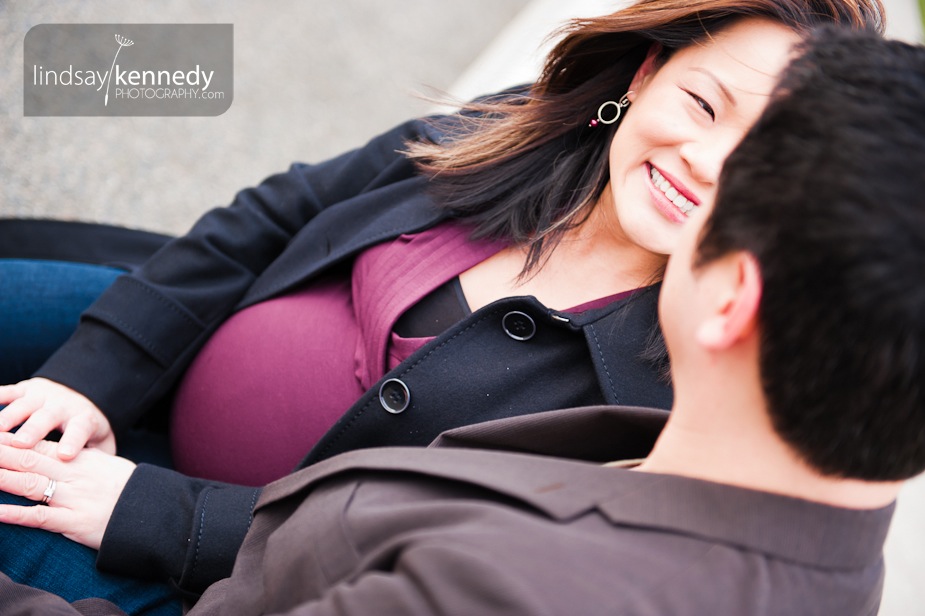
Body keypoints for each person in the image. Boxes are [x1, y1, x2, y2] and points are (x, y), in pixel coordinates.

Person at [1, 25, 923, 614]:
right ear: (646, 70)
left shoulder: (683, 390)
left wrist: (157, 513)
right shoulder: (522, 131)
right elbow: (276, 212)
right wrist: (96, 368)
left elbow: (405, 538)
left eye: (758, 155)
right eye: (699, 102)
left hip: (168, 539)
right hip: (167, 331)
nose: (705, 160)